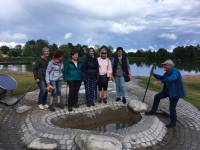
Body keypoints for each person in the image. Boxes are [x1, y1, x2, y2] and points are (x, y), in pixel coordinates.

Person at [145, 59, 186, 128]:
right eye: (163, 65)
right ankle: (153, 111)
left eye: (165, 65)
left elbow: (172, 78)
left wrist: (161, 81)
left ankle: (173, 122)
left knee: (172, 108)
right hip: (167, 91)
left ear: (170, 65)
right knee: (157, 96)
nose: (163, 66)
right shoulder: (167, 72)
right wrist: (154, 74)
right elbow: (162, 77)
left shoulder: (175, 71)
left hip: (175, 93)